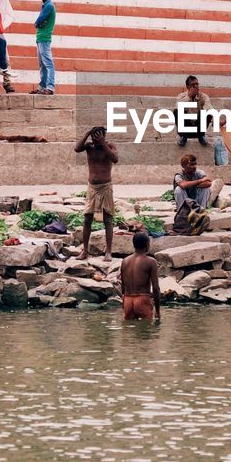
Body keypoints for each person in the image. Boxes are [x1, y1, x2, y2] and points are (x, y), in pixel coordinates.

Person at [74, 126, 119, 258]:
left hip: (106, 186)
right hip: (92, 187)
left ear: (104, 136)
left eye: (99, 136)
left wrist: (103, 144)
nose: (96, 139)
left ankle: (108, 251)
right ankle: (85, 251)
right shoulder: (89, 147)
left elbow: (115, 159)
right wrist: (87, 133)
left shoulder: (109, 146)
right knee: (88, 218)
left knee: (108, 218)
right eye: (94, 136)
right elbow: (77, 148)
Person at [173, 153, 223, 233]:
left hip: (196, 200)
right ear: (184, 166)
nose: (194, 167)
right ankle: (183, 215)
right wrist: (200, 181)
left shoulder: (199, 172)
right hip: (185, 201)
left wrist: (190, 185)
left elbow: (208, 183)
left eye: (195, 164)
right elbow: (182, 185)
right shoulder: (179, 175)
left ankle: (201, 213)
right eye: (191, 164)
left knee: (206, 189)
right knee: (178, 189)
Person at [120, 231, 161, 322]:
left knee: (129, 332)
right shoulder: (151, 261)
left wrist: (124, 301)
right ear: (147, 244)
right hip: (142, 299)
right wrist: (157, 310)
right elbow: (155, 287)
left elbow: (123, 284)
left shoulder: (125, 261)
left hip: (127, 299)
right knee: (146, 332)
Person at [176, 75, 211, 147]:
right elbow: (178, 106)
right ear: (188, 87)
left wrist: (201, 114)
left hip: (198, 125)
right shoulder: (181, 96)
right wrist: (189, 96)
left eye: (197, 84)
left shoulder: (203, 96)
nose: (196, 86)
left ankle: (201, 136)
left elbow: (208, 107)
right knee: (177, 111)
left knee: (208, 112)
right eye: (193, 85)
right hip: (186, 125)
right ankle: (183, 136)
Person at [34, 0, 56, 94]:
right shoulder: (46, 5)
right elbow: (39, 22)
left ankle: (50, 87)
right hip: (40, 38)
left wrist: (38, 24)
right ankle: (42, 87)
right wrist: (39, 24)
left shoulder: (49, 6)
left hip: (44, 38)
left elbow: (38, 21)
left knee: (48, 63)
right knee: (42, 64)